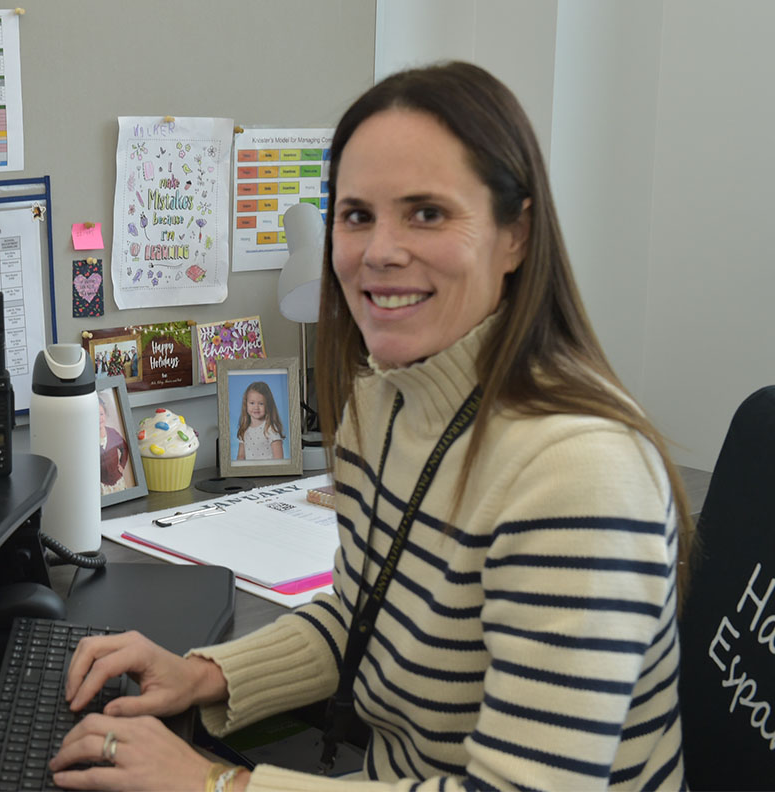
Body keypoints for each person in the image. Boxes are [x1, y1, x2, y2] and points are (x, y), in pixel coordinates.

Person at [48, 60, 693, 791]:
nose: (379, 251)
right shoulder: (385, 403)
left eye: (427, 212)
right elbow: (364, 611)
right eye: (357, 215)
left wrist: (216, 785)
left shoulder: (579, 473)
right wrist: (200, 675)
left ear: (516, 236)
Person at [234, 381, 285, 460]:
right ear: (246, 404)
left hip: (268, 471)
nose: (256, 407)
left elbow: (279, 458)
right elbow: (241, 456)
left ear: (268, 405)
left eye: (261, 403)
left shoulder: (270, 429)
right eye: (252, 403)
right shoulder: (244, 429)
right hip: (250, 471)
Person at [99, 393, 130, 495]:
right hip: (101, 485)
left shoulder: (112, 433)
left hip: (118, 482)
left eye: (101, 414)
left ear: (105, 414)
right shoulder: (88, 439)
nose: (99, 418)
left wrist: (122, 464)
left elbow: (125, 448)